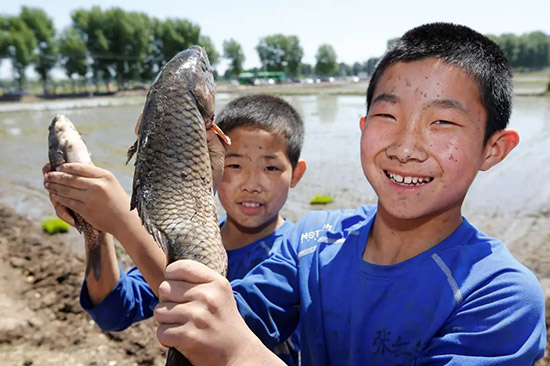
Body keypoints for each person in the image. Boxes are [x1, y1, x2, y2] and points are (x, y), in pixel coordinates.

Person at [153, 22, 547, 366]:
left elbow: (229, 343)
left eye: (442, 122)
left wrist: (237, 355)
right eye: (387, 116)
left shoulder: (501, 296)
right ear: (363, 125)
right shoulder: (310, 242)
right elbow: (217, 319)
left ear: (493, 149)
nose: (405, 147)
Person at [43, 94, 307, 365]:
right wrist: (95, 228)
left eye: (271, 167)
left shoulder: (299, 256)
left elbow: (228, 326)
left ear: (296, 174)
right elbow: (114, 310)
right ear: (207, 162)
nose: (252, 183)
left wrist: (123, 220)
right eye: (235, 165)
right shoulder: (176, 240)